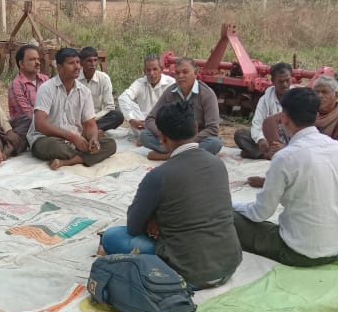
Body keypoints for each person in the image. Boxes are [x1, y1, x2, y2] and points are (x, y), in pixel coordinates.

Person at [99, 102, 241, 289]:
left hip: (187, 271)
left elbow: (133, 227)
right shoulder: (217, 164)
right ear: (196, 128)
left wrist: (154, 220)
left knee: (111, 236)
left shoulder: (159, 175)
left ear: (162, 138)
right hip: (228, 265)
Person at [233, 88, 338, 267]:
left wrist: (233, 206)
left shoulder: (286, 157)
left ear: (284, 118)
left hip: (300, 251)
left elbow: (260, 213)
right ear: (316, 116)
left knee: (226, 217)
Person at [28, 47, 118, 169]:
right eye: (71, 63)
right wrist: (72, 137)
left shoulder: (84, 92)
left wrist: (93, 138)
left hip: (75, 140)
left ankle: (68, 161)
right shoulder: (47, 89)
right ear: (59, 68)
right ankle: (83, 157)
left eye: (78, 62)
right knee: (55, 147)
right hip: (46, 139)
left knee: (110, 144)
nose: (77, 67)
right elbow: (40, 124)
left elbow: (90, 124)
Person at [141, 58, 221, 161]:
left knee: (214, 143)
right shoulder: (170, 92)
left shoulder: (207, 94)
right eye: (177, 73)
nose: (180, 76)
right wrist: (163, 135)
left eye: (185, 72)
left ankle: (167, 156)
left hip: (195, 139)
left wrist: (186, 143)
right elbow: (150, 119)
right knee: (144, 136)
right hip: (172, 139)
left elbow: (213, 128)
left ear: (196, 73)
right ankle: (184, 155)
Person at [233, 62, 291, 159]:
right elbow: (257, 124)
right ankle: (267, 154)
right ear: (273, 81)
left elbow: (301, 130)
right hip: (270, 142)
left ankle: (263, 155)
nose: (285, 85)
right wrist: (261, 140)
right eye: (281, 82)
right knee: (241, 135)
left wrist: (285, 146)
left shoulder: (298, 97)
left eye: (287, 80)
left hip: (290, 141)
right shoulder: (265, 99)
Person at [117, 55, 176, 136]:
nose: (151, 73)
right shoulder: (139, 83)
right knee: (126, 100)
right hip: (143, 124)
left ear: (161, 69)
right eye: (148, 70)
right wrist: (131, 119)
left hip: (163, 123)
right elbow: (123, 98)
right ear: (144, 71)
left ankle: (152, 136)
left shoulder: (171, 83)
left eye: (155, 69)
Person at [78, 46, 124, 131]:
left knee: (118, 115)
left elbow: (109, 107)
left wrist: (92, 119)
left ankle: (89, 130)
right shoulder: (75, 79)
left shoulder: (104, 78)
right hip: (78, 119)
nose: (93, 64)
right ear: (81, 63)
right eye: (89, 61)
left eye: (95, 60)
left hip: (97, 118)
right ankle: (90, 130)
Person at [7, 44, 49, 126]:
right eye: (32, 59)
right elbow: (27, 114)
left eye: (38, 59)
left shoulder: (45, 79)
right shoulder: (16, 85)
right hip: (28, 128)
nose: (37, 62)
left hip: (50, 124)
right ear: (21, 64)